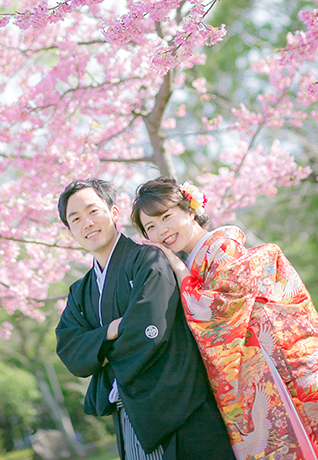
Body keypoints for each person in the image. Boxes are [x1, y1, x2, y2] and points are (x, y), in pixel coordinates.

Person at [131, 175, 318, 460]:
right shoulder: (199, 263)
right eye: (151, 227)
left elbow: (218, 311)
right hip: (261, 375)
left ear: (190, 210)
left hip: (283, 369)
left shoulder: (224, 249)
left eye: (166, 217)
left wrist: (178, 268)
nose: (162, 230)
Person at [55, 178, 237, 460]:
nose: (87, 223)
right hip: (128, 416)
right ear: (69, 230)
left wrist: (96, 349)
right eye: (75, 219)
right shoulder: (80, 291)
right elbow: (70, 352)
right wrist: (111, 330)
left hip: (180, 408)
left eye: (93, 211)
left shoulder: (148, 259)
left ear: (113, 213)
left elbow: (149, 331)